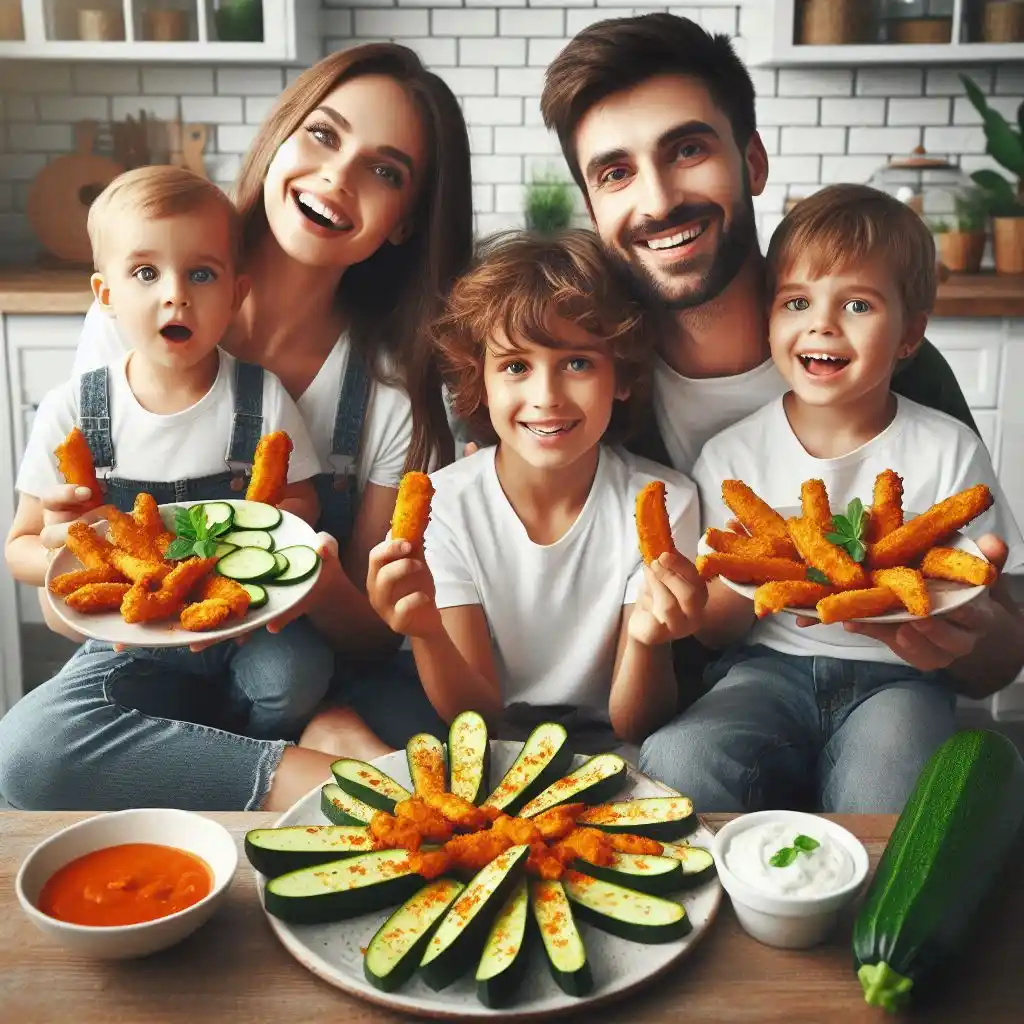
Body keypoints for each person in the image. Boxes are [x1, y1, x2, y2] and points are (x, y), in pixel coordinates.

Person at [0, 44, 473, 812]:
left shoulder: (386, 393)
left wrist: (309, 568)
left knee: (309, 683)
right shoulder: (124, 315)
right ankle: (319, 777)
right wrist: (71, 559)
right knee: (26, 758)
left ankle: (296, 743)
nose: (337, 178)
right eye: (322, 135)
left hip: (296, 666)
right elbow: (56, 580)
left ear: (404, 221)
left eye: (384, 172)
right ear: (278, 136)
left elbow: (368, 640)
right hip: (154, 659)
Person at [538, 12, 1017, 703]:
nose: (659, 200)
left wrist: (967, 636)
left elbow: (999, 658)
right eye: (616, 173)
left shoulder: (892, 363)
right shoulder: (592, 383)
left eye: (688, 150)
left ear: (752, 163)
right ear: (591, 208)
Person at [639, 184, 1024, 813]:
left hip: (901, 680)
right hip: (765, 669)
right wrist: (707, 597)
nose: (822, 322)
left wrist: (976, 628)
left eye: (858, 304)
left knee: (887, 793)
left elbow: (1000, 637)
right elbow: (717, 626)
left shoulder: (947, 450)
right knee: (679, 759)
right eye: (797, 301)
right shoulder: (732, 458)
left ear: (910, 335)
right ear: (769, 320)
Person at [3, 165, 338, 804]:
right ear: (105, 295)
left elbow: (304, 502)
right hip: (133, 637)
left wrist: (273, 515)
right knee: (23, 753)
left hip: (244, 623)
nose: (175, 295)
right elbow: (18, 546)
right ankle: (212, 758)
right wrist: (58, 541)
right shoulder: (73, 411)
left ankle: (221, 749)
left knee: (297, 675)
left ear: (237, 291)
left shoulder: (259, 399)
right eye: (146, 273)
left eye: (201, 274)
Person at [366, 230, 706, 752]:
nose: (546, 397)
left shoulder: (666, 502)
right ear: (480, 379)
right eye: (516, 366)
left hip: (614, 744)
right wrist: (426, 632)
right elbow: (476, 718)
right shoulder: (444, 506)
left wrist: (646, 637)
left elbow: (635, 724)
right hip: (488, 739)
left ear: (621, 376)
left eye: (577, 363)